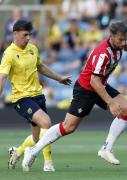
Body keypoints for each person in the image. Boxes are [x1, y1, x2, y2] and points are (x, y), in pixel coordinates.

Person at [22, 20, 127, 171]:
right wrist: (111, 102)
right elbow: (93, 80)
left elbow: (126, 46)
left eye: (125, 39)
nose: (123, 42)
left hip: (101, 85)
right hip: (86, 89)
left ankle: (106, 148)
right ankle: (33, 150)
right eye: (121, 39)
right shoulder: (103, 53)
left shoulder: (119, 44)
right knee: (68, 127)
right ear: (112, 36)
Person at [0, 19, 71, 171]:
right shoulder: (9, 54)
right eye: (25, 35)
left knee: (37, 138)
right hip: (22, 99)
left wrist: (58, 78)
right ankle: (48, 164)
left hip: (38, 96)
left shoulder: (33, 48)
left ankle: (17, 152)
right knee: (46, 123)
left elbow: (40, 67)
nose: (28, 38)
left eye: (29, 35)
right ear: (15, 34)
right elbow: (2, 77)